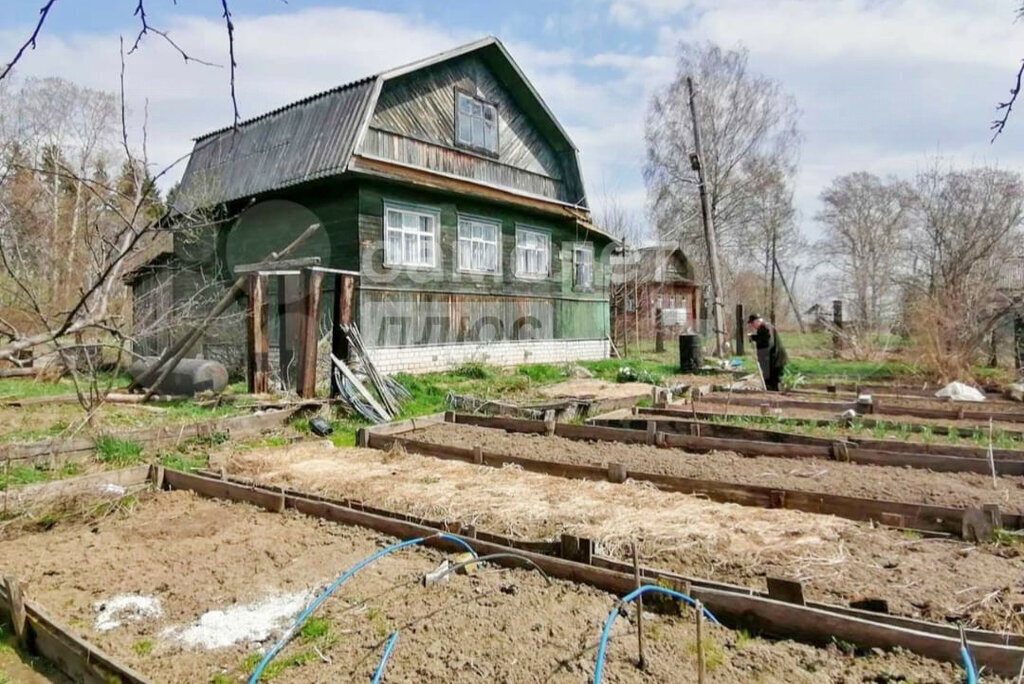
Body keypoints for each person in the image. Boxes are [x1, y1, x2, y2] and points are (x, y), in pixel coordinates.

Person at [747, 314, 788, 391]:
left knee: (775, 381)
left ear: (757, 321)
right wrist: (753, 337)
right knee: (769, 381)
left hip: (775, 360)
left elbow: (767, 343)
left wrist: (754, 338)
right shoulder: (763, 328)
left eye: (752, 324)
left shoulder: (766, 328)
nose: (752, 326)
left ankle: (776, 397)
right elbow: (763, 338)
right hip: (771, 360)